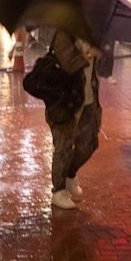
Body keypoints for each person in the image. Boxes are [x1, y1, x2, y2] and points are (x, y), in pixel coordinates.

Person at [46, 30, 102, 209]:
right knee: (63, 146)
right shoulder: (64, 33)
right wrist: (89, 54)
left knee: (90, 143)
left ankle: (70, 173)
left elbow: (100, 70)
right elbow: (68, 64)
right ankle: (58, 190)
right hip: (65, 101)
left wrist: (101, 53)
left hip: (88, 99)